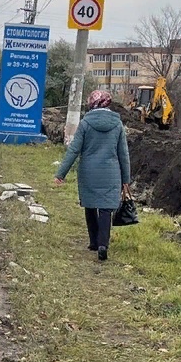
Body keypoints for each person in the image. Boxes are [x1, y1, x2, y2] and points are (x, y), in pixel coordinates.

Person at [53, 90, 131, 261]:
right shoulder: (117, 124)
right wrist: (126, 179)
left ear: (92, 104)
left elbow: (74, 150)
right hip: (111, 172)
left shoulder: (85, 123)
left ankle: (93, 242)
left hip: (89, 171)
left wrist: (61, 173)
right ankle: (103, 244)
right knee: (105, 209)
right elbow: (123, 154)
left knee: (90, 205)